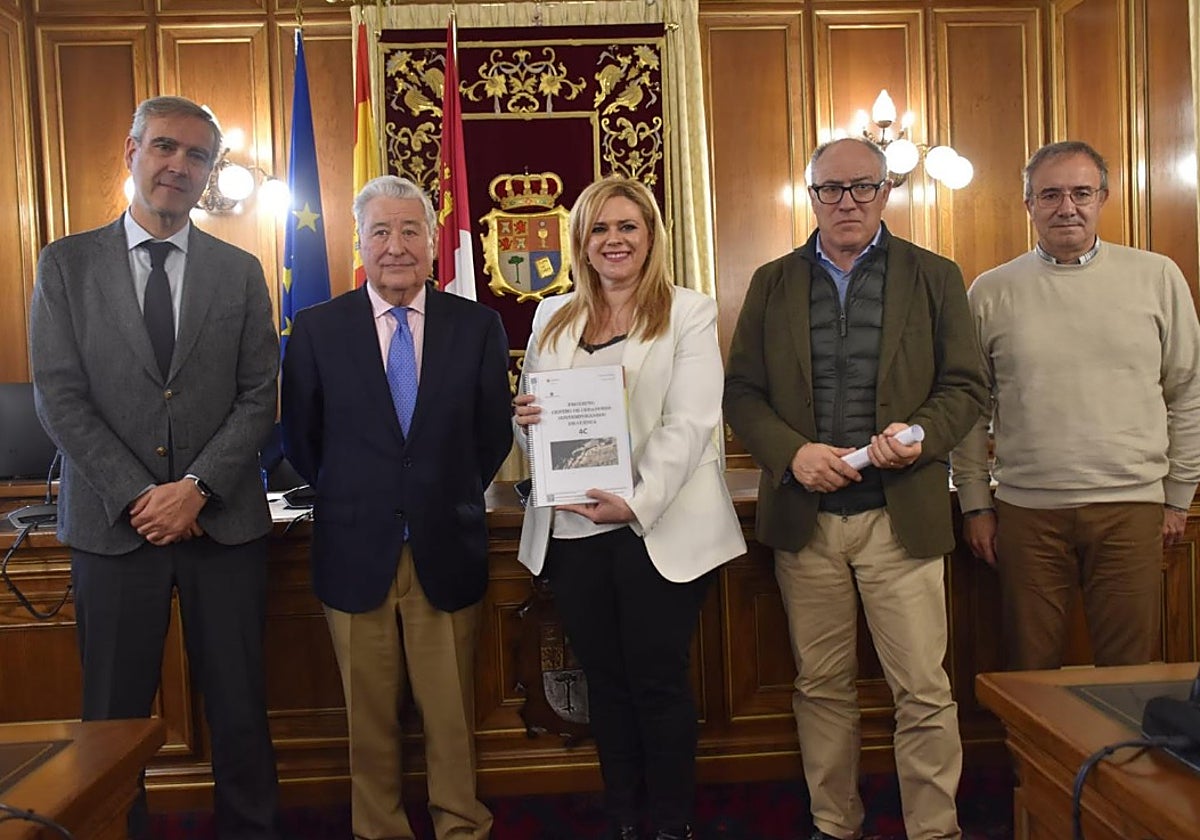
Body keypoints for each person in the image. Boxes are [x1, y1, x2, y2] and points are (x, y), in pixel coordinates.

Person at [28, 95, 280, 838]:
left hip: (223, 526)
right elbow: (60, 398)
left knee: (239, 707)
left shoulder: (239, 271)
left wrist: (196, 490)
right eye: (165, 147)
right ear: (131, 152)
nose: (179, 165)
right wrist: (146, 495)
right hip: (114, 527)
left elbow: (260, 393)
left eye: (197, 155)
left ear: (209, 174)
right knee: (112, 717)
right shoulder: (66, 265)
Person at [723, 137, 987, 840]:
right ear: (809, 197)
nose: (845, 202)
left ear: (887, 190)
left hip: (900, 519)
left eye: (861, 187)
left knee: (924, 693)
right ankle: (833, 825)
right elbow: (743, 393)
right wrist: (791, 454)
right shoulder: (773, 282)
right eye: (829, 189)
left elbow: (966, 386)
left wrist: (921, 435)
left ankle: (935, 830)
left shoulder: (935, 276)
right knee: (820, 687)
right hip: (806, 520)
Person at [513, 176, 746, 840]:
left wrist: (634, 504)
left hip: (658, 530)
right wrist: (526, 421)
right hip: (575, 530)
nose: (613, 241)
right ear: (580, 242)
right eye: (599, 229)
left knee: (657, 685)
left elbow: (691, 423)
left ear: (650, 237)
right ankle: (624, 819)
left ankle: (671, 826)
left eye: (628, 227)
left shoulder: (688, 311)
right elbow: (535, 429)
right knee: (603, 687)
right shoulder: (550, 318)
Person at [280, 175, 512, 840]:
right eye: (380, 231)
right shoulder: (320, 330)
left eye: (410, 230)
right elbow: (302, 437)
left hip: (447, 543)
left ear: (435, 243)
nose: (396, 246)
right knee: (369, 718)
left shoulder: (477, 327)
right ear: (360, 243)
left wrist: (443, 493)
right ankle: (379, 830)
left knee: (449, 714)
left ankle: (460, 824)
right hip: (354, 549)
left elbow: (491, 434)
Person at [950, 140, 1200, 670]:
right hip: (1026, 513)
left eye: (1082, 193)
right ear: (1029, 205)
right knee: (1029, 672)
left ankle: (1116, 759)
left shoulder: (1157, 277)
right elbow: (969, 409)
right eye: (1051, 194)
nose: (1068, 207)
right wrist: (975, 502)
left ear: (1103, 198)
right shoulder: (991, 291)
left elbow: (1188, 391)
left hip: (1131, 509)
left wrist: (1178, 494)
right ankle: (1039, 760)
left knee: (1129, 673)